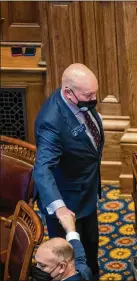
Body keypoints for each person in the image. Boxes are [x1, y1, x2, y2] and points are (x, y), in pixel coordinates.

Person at [33, 63, 103, 278]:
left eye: (94, 93)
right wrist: (60, 208)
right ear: (68, 92)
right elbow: (42, 168)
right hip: (67, 204)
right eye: (88, 95)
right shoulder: (50, 122)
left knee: (90, 251)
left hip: (86, 192)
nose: (93, 99)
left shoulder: (76, 102)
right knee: (69, 265)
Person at [32, 214, 92, 281]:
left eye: (42, 266)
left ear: (62, 266)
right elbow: (79, 260)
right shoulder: (84, 271)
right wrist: (71, 230)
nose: (37, 268)